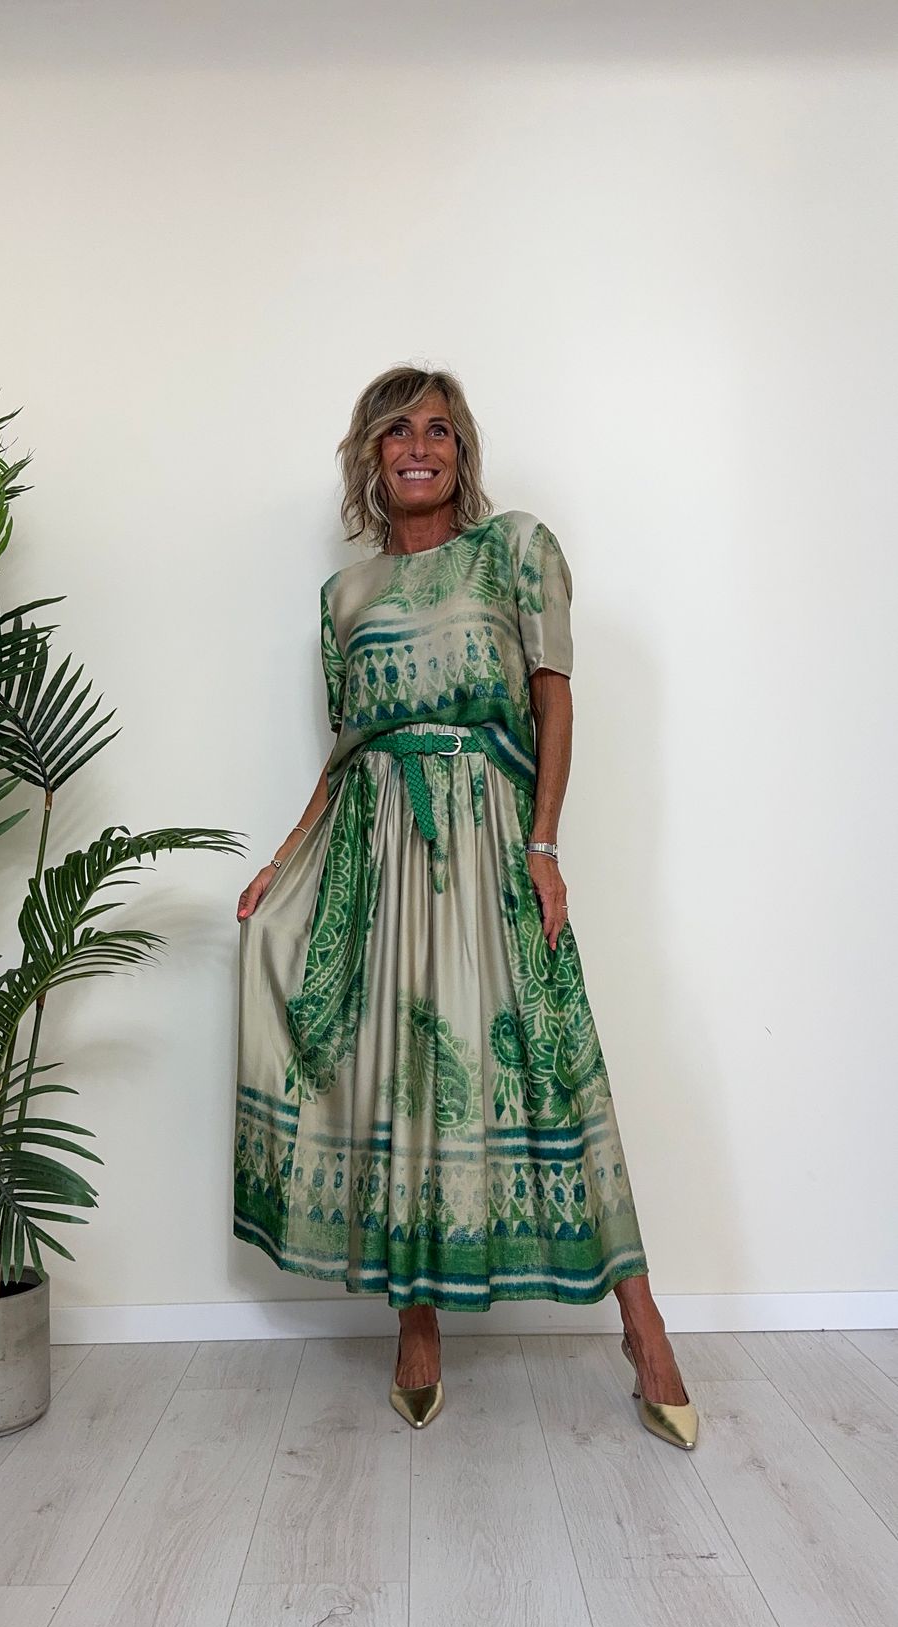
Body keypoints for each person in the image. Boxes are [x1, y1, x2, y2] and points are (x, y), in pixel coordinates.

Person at [233, 365, 698, 1450]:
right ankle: (417, 1325)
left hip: (489, 838)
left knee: (554, 1058)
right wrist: (284, 858)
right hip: (376, 851)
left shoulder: (514, 550)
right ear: (369, 455)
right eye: (396, 430)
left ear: (461, 452)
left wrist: (543, 844)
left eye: (437, 429)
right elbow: (347, 750)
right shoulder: (342, 598)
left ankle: (644, 1330)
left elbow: (551, 700)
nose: (418, 446)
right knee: (403, 1070)